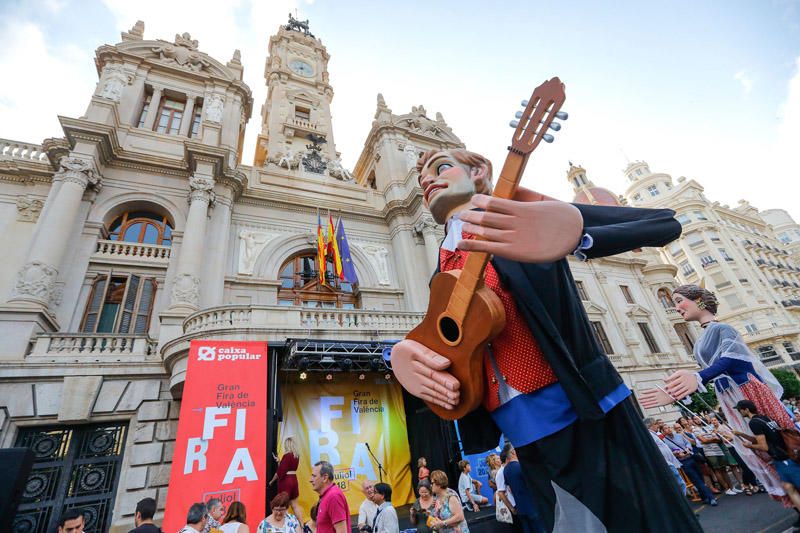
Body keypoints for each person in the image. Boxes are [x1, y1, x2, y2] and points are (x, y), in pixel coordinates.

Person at [391, 148, 700, 531]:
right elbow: (450, 339)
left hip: (581, 403)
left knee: (647, 519)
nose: (426, 180)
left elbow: (661, 224)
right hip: (518, 429)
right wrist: (402, 354)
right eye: (421, 177)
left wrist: (573, 237)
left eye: (440, 167)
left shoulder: (519, 218)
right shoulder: (444, 257)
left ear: (480, 171)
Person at [641, 284, 795, 503]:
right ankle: (793, 498)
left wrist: (698, 377)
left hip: (747, 392)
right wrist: (677, 392)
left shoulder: (723, 329)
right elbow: (711, 373)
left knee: (778, 444)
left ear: (700, 301)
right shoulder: (700, 342)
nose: (676, 308)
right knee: (758, 452)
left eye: (678, 301)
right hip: (730, 397)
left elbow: (730, 360)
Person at [735, 399, 800, 511]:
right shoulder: (765, 418)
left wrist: (748, 446)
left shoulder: (754, 423)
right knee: (788, 487)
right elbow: (765, 438)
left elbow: (763, 446)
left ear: (746, 409)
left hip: (783, 458)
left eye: (740, 410)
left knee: (792, 486)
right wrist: (741, 434)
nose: (740, 413)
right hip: (784, 456)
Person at [662, 422, 717, 504]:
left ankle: (704, 497)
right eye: (666, 428)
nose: (668, 429)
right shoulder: (664, 441)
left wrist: (688, 448)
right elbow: (668, 452)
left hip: (691, 457)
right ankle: (711, 498)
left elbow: (688, 443)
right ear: (663, 432)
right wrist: (677, 453)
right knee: (696, 480)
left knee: (700, 477)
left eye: (669, 427)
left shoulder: (678, 435)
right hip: (683, 461)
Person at [501, 443, 545, 533]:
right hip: (532, 506)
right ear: (513, 452)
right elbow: (534, 485)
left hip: (521, 509)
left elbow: (510, 489)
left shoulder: (505, 470)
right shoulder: (522, 466)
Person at [644, 418, 688, 498]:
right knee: (679, 484)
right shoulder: (649, 435)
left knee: (679, 484)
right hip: (665, 463)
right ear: (651, 425)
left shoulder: (654, 434)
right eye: (655, 424)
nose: (657, 426)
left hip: (669, 462)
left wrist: (673, 453)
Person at [270, 437, 304, 525]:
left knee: (283, 505)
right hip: (294, 479)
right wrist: (279, 461)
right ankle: (302, 525)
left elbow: (279, 472)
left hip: (286, 481)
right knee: (295, 505)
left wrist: (271, 482)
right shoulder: (296, 456)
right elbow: (288, 467)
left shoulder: (287, 455)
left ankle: (286, 526)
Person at [310, 460, 351, 533]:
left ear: (325, 478)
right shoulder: (327, 496)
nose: (310, 480)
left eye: (314, 476)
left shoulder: (333, 496)